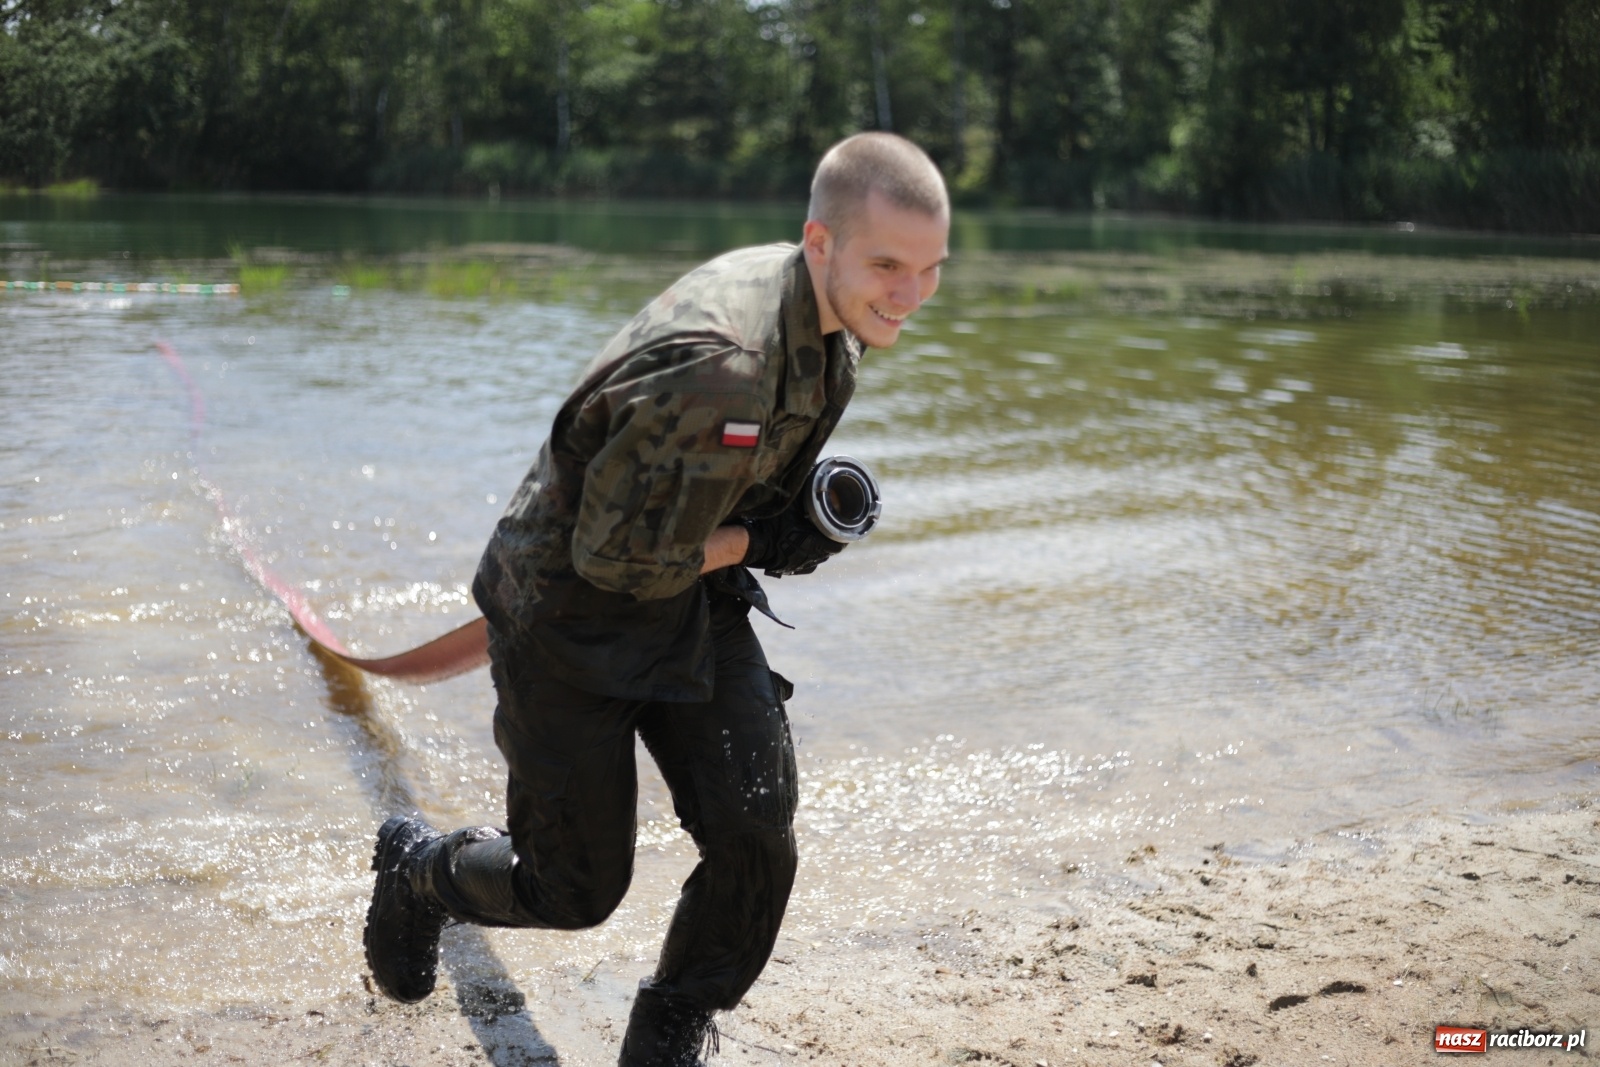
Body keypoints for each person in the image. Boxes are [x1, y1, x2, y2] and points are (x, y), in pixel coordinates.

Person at [361, 132, 950, 1066]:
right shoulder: (730, 361)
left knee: (756, 825)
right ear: (821, 242)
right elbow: (617, 558)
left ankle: (668, 1030)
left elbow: (722, 489)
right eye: (890, 265)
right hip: (569, 613)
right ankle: (418, 873)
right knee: (574, 888)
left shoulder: (833, 314)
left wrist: (786, 514)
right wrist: (764, 540)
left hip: (691, 594)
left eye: (930, 270)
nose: (911, 295)